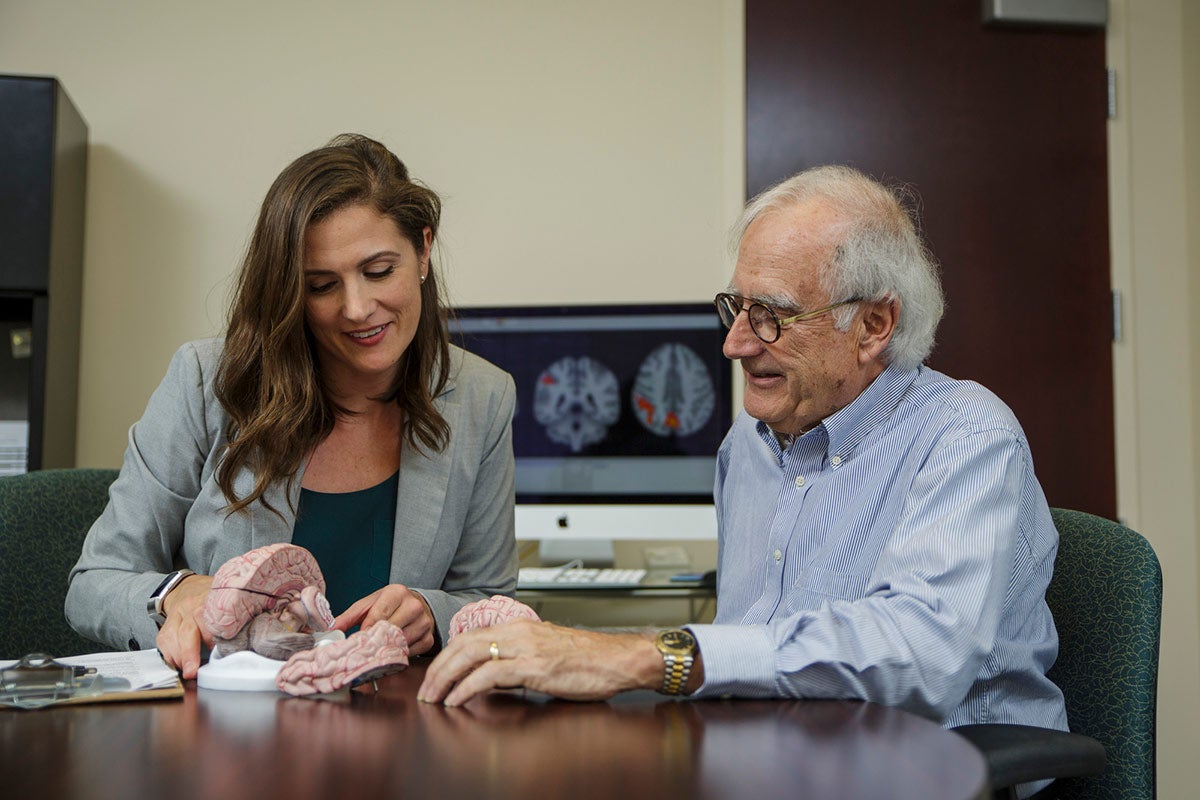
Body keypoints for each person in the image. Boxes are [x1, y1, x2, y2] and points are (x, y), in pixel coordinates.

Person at [418, 165, 1068, 741]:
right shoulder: (749, 445)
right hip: (781, 754)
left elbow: (919, 656)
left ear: (875, 325)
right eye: (736, 306)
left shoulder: (966, 438)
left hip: (939, 767)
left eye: (772, 316)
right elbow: (762, 648)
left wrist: (643, 656)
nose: (734, 344)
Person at [66, 134, 518, 679]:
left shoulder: (482, 399)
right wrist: (175, 593)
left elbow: (487, 598)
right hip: (228, 731)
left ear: (423, 250)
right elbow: (94, 582)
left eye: (378, 271)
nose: (356, 309)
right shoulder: (207, 381)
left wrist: (433, 612)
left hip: (396, 732)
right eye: (322, 285)